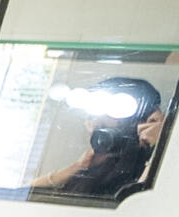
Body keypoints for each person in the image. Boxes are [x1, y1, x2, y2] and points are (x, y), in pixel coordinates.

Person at [32, 74, 168, 200]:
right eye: (91, 117)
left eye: (106, 115)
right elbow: (24, 194)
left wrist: (159, 146)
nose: (94, 123)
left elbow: (137, 204)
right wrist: (76, 167)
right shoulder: (92, 165)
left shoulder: (153, 163)